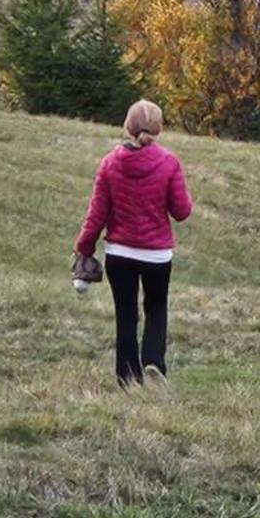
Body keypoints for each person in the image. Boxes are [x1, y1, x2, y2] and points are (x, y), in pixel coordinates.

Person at [74, 99, 193, 388]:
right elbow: (182, 211)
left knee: (125, 316)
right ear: (159, 129)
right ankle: (153, 362)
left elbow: (96, 214)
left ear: (128, 127)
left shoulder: (110, 163)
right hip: (157, 255)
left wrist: (84, 249)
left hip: (120, 253)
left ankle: (127, 379)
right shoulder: (169, 162)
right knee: (156, 309)